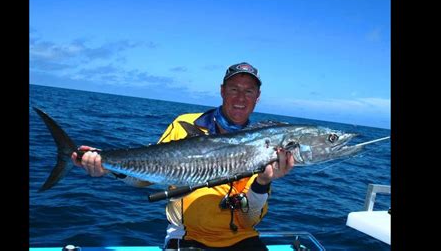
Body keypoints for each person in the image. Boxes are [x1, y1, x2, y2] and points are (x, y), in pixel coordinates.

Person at [72, 62, 294, 250]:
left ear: (257, 97)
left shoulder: (265, 145)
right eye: (234, 89)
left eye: (249, 91)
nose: (241, 98)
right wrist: (109, 167)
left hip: (242, 239)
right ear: (222, 90)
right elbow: (144, 178)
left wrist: (263, 183)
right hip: (187, 239)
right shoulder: (186, 124)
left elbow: (249, 219)